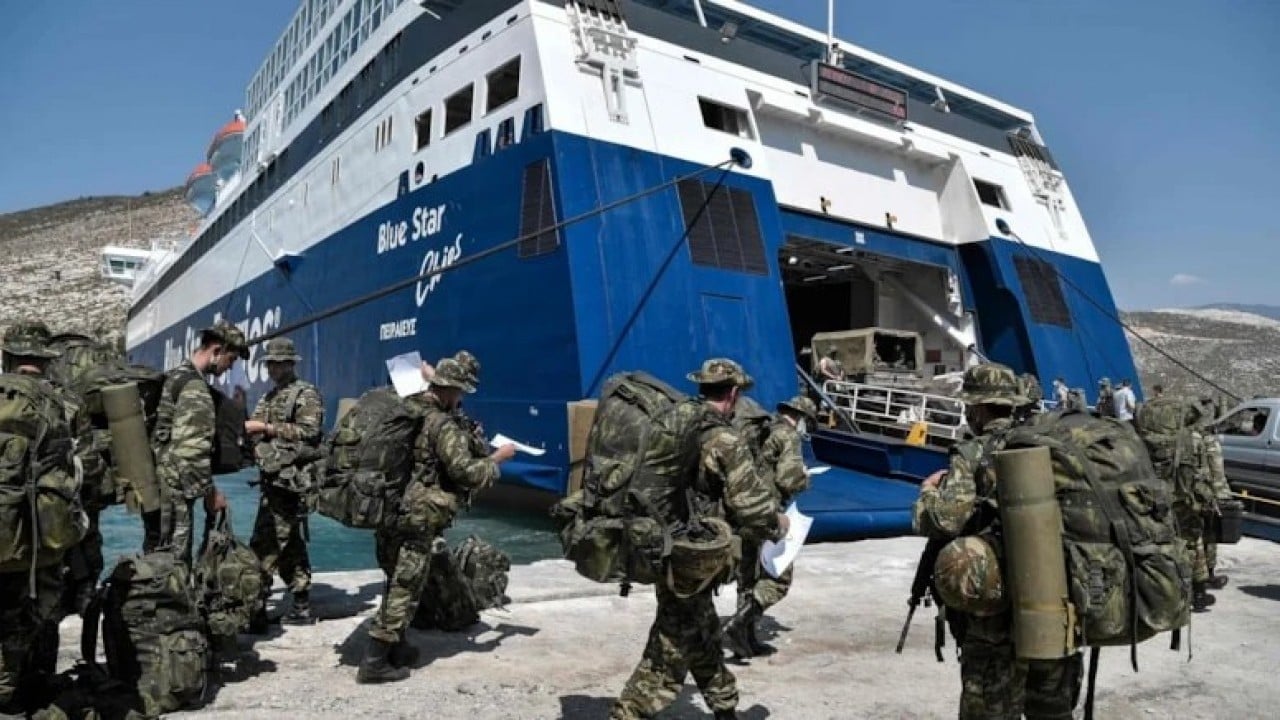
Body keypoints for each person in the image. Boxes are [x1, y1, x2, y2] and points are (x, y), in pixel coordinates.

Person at [611, 358, 786, 720]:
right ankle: (627, 714)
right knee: (670, 649)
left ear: (701, 388)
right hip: (692, 556)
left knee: (701, 628)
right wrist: (778, 523)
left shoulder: (674, 424)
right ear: (734, 393)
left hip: (661, 543)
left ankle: (725, 708)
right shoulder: (723, 438)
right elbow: (751, 507)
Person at [914, 362, 1082, 720]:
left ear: (976, 407)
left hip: (997, 614)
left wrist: (927, 493)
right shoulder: (1048, 446)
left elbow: (944, 521)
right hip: (1058, 604)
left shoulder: (973, 452)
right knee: (1051, 710)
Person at [358, 359, 516, 684]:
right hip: (416, 516)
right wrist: (495, 460)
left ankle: (397, 649)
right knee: (406, 586)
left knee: (394, 578)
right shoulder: (441, 424)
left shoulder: (406, 410)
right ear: (453, 390)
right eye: (459, 393)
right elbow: (466, 473)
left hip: (387, 508)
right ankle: (374, 662)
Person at [0, 322, 77, 717]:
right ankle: (20, 692)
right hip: (37, 537)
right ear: (44, 362)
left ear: (8, 356)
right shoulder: (59, 402)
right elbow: (81, 466)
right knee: (33, 615)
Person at [723, 395, 816, 660]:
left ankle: (745, 640)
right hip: (767, 512)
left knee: (748, 576)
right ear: (801, 418)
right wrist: (805, 479)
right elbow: (788, 479)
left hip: (743, 509)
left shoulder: (763, 430)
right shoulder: (788, 436)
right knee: (779, 577)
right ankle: (740, 622)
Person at [151, 321, 247, 567]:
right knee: (175, 565)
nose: (230, 367)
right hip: (177, 491)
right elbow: (191, 452)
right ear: (216, 351)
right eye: (231, 359)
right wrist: (211, 494)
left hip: (162, 485)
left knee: (159, 559)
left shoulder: (177, 375)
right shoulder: (196, 389)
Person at [246, 338, 325, 627]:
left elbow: (310, 432)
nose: (271, 368)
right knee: (289, 542)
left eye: (277, 363)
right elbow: (253, 427)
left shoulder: (305, 395)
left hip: (291, 483)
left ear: (290, 364)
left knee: (264, 545)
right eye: (269, 363)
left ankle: (254, 608)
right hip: (273, 478)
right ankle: (301, 604)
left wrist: (267, 428)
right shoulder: (269, 397)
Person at [1198, 398, 1232, 591]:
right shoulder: (1210, 441)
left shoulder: (1186, 437)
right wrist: (1222, 497)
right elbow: (1217, 472)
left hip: (1188, 493)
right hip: (1206, 494)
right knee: (1209, 535)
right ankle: (1208, 574)